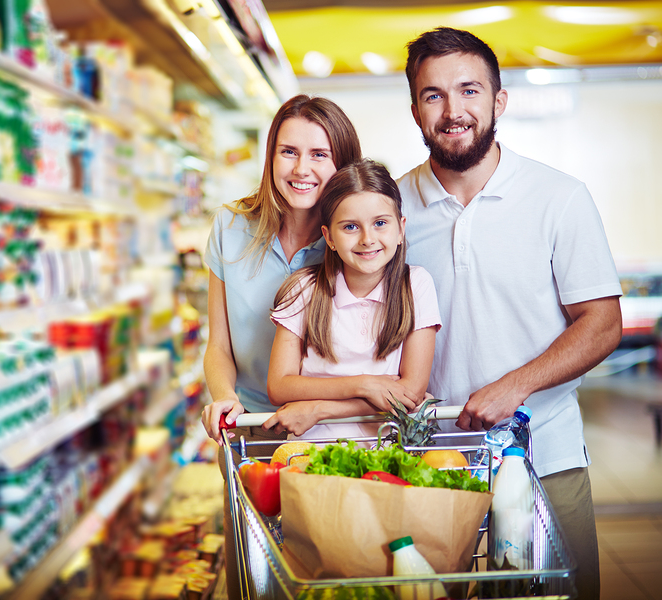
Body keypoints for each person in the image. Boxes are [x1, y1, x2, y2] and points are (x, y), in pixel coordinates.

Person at [397, 27, 622, 600]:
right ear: (415, 109)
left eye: (470, 91)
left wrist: (515, 386)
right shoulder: (389, 213)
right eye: (434, 95)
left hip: (546, 455)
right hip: (427, 464)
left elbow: (601, 322)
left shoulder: (558, 197)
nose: (454, 111)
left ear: (498, 101)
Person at [199, 94, 365, 600]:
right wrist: (223, 395)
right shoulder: (231, 227)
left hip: (333, 436)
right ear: (270, 155)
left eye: (320, 154)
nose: (302, 169)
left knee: (328, 580)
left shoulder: (353, 239)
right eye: (288, 151)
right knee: (254, 581)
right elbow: (219, 344)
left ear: (342, 163)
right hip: (252, 438)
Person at [265, 160, 441, 440]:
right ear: (329, 237)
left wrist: (319, 410)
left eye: (380, 223)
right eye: (350, 227)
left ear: (401, 229)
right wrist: (365, 385)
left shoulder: (415, 285)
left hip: (387, 451)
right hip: (311, 452)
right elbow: (279, 386)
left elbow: (410, 393)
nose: (367, 239)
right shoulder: (303, 289)